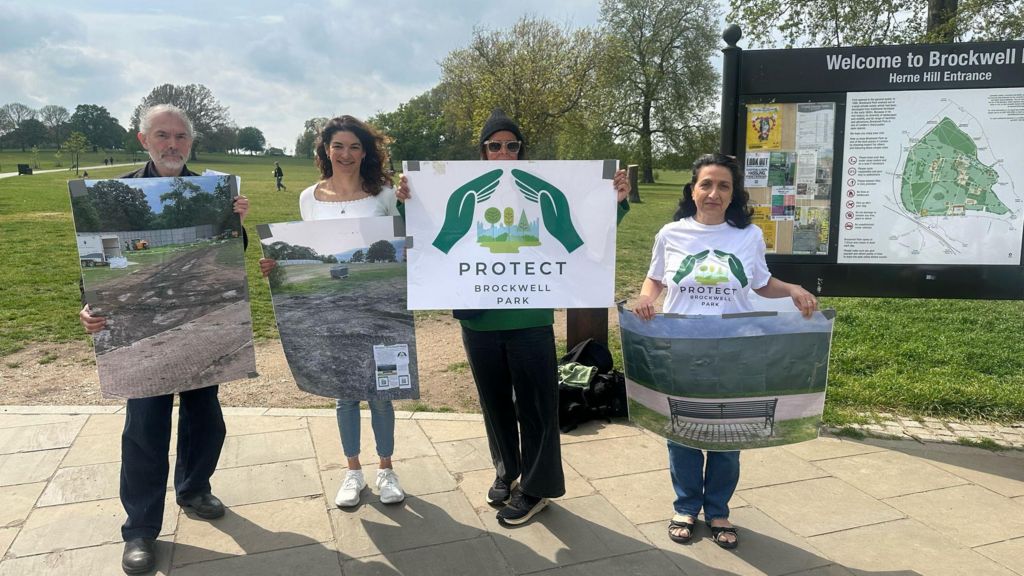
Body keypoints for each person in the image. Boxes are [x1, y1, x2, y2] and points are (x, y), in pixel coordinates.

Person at [401, 109, 631, 526]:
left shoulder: (543, 190)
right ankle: (508, 470)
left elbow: (586, 236)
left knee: (538, 407)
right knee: (495, 406)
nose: (504, 152)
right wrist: (411, 203)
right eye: (494, 145)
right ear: (483, 151)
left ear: (521, 150)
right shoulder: (462, 190)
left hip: (530, 319)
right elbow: (431, 242)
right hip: (479, 322)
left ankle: (538, 488)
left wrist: (615, 200)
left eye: (512, 145)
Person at [78, 104, 250, 575]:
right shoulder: (117, 193)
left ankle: (194, 488)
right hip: (141, 327)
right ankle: (139, 530)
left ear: (191, 143)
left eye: (180, 137)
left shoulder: (213, 191)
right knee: (145, 429)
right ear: (143, 140)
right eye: (162, 136)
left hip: (200, 322)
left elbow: (234, 256)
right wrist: (89, 307)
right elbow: (95, 259)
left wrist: (235, 222)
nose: (172, 144)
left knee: (204, 418)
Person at [632, 153, 817, 550]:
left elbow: (761, 283)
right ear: (693, 190)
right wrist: (646, 299)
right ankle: (685, 506)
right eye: (706, 185)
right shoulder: (671, 233)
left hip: (734, 351)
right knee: (680, 431)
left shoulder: (747, 235)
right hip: (680, 349)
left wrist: (793, 290)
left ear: (734, 194)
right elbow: (655, 279)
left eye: (723, 186)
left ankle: (717, 509)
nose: (714, 193)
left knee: (729, 433)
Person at [259, 115, 408, 508]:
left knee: (381, 391)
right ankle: (353, 471)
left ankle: (386, 469)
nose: (346, 154)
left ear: (366, 152)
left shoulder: (385, 195)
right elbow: (306, 246)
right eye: (338, 146)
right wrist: (277, 267)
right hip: (329, 310)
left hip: (378, 308)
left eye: (355, 146)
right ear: (326, 150)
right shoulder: (309, 197)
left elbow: (408, 239)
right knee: (344, 394)